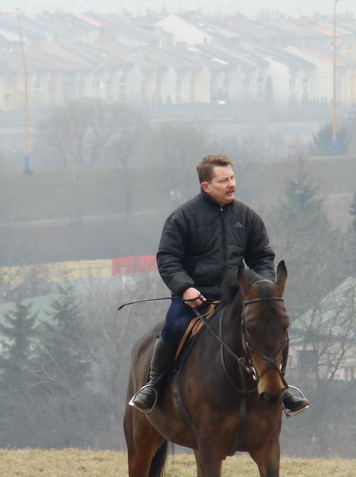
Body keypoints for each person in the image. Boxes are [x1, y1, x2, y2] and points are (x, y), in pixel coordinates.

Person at [129, 154, 309, 416]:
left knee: (273, 328)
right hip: (194, 301)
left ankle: (283, 388)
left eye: (232, 178)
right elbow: (168, 259)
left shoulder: (248, 218)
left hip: (238, 299)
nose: (232, 184)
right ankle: (153, 386)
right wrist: (185, 288)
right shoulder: (182, 217)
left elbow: (262, 258)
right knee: (174, 327)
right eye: (224, 180)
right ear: (206, 186)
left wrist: (261, 286)